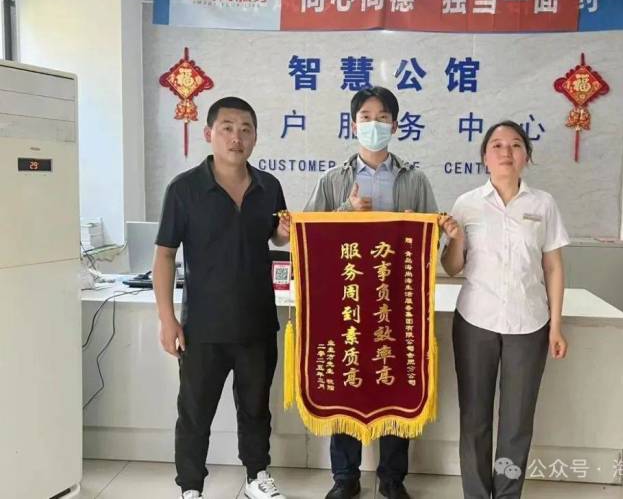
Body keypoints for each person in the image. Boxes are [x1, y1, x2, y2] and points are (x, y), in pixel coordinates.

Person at [304, 86, 447, 499]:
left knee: (395, 383)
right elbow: (308, 236)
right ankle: (344, 478)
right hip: (346, 299)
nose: (373, 124)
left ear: (395, 126)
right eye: (365, 117)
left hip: (396, 302)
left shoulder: (414, 180)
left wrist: (416, 229)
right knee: (345, 381)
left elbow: (432, 241)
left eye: (382, 117)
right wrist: (345, 213)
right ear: (353, 125)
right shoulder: (333, 180)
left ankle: (392, 479)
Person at [153, 96, 290, 499]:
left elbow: (277, 237)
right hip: (203, 327)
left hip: (256, 322)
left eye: (246, 129)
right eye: (227, 128)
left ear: (255, 137)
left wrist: (285, 232)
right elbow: (164, 255)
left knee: (256, 409)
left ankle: (256, 476)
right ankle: (191, 487)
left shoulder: (269, 187)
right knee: (195, 412)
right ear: (209, 133)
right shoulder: (184, 189)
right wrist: (167, 319)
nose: (237, 137)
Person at [441, 121, 570, 499]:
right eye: (496, 145)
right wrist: (456, 239)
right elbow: (452, 267)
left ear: (526, 156)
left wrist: (556, 326)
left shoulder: (543, 204)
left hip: (529, 323)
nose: (506, 152)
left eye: (515, 145)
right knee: (475, 418)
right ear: (484, 156)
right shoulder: (467, 204)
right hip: (475, 322)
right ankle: (477, 494)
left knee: (516, 421)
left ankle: (507, 493)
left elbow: (553, 267)